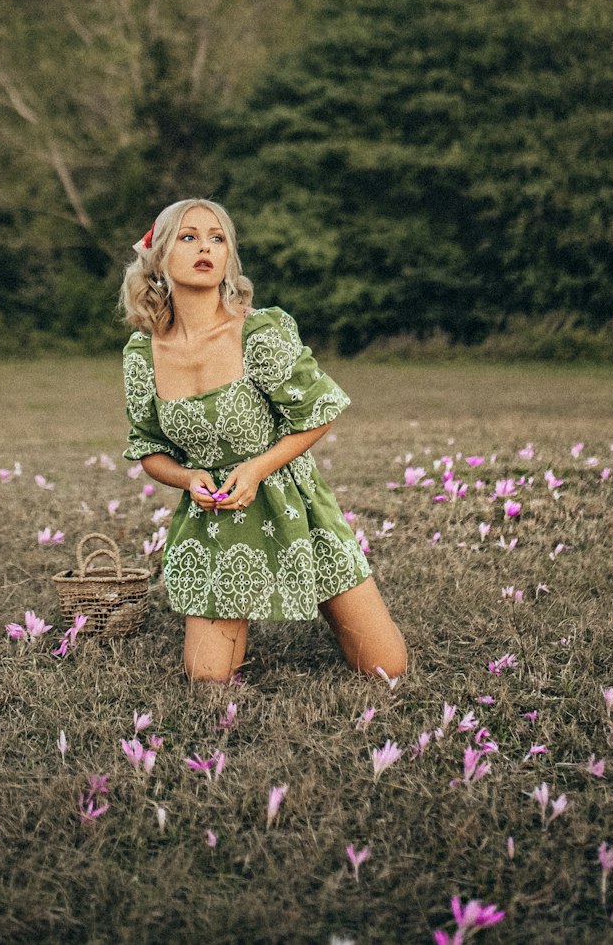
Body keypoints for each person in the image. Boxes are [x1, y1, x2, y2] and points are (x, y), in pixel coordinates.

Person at [120, 197, 407, 683]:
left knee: (385, 667)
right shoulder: (142, 353)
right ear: (160, 257)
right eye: (188, 237)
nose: (205, 247)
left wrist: (256, 469)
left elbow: (320, 411)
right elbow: (148, 448)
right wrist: (189, 477)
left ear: (230, 257)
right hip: (216, 520)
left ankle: (332, 607)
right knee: (207, 677)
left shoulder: (259, 332)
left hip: (292, 504)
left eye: (217, 238)